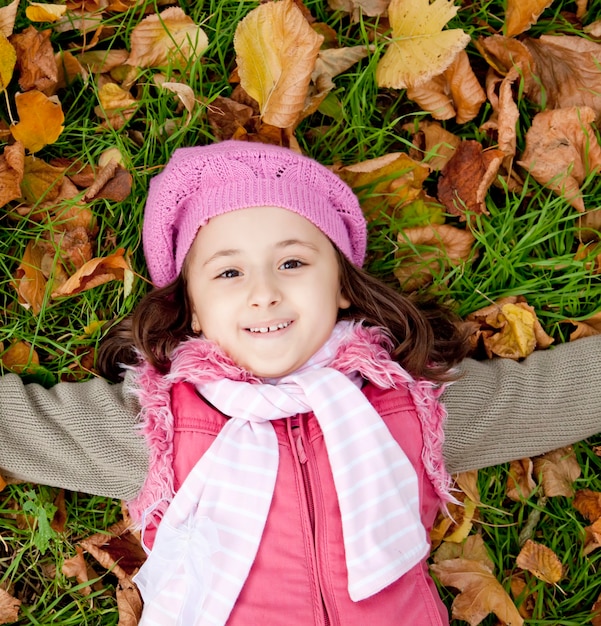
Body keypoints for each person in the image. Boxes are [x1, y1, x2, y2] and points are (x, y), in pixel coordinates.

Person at [2, 140, 601, 624]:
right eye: (229, 271)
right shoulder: (161, 422)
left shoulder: (406, 400)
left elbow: (554, 394)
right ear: (194, 311)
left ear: (342, 287)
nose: (265, 291)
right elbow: (20, 427)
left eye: (292, 262)